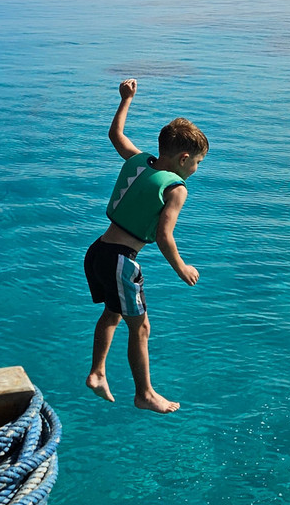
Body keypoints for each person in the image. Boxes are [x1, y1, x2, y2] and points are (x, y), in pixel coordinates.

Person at [83, 78, 208, 413]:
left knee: (112, 313)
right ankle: (145, 393)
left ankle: (97, 372)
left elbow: (116, 136)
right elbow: (165, 236)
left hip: (97, 251)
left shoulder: (138, 161)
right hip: (122, 260)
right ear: (184, 159)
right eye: (197, 162)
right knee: (141, 328)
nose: (196, 169)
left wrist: (125, 99)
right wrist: (183, 268)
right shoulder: (176, 188)